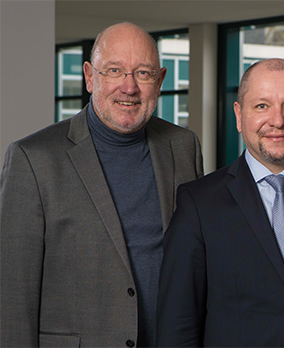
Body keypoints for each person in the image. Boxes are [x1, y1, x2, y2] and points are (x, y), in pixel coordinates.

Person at [0, 22, 203, 347]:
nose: (129, 87)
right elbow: (12, 297)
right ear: (90, 77)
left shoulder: (183, 146)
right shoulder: (33, 158)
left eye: (143, 73)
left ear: (161, 80)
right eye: (114, 71)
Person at [157, 58, 284, 347]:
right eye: (262, 106)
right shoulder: (199, 204)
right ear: (239, 115)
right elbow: (178, 327)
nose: (277, 121)